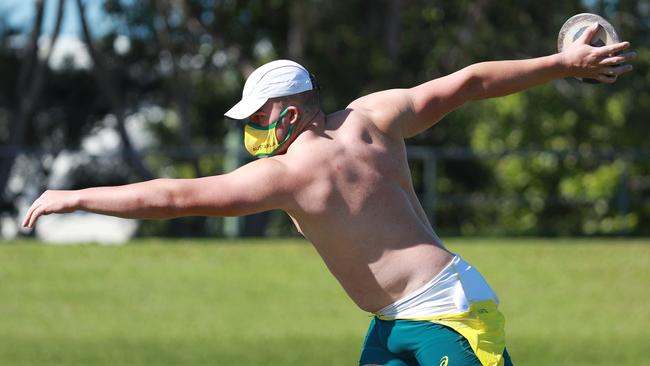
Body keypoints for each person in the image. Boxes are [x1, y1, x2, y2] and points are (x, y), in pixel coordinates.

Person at [23, 22, 634, 366]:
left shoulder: (290, 172)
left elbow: (174, 196)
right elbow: (469, 83)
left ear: (289, 114)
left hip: (449, 314)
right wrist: (563, 65)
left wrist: (76, 198)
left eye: (257, 118)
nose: (251, 131)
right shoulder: (375, 114)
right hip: (395, 322)